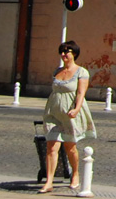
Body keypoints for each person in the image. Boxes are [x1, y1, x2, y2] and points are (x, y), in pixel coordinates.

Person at [39, 40, 97, 194]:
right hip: (53, 112)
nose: (64, 54)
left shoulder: (81, 72)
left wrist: (76, 109)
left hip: (69, 114)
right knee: (52, 146)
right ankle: (49, 181)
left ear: (74, 54)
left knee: (70, 147)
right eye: (62, 51)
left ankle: (75, 174)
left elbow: (80, 93)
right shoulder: (56, 71)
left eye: (67, 51)